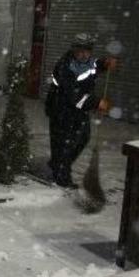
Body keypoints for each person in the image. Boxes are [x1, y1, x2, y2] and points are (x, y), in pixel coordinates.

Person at [45, 32, 116, 188]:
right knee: (64, 143)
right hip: (61, 108)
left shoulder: (88, 61)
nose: (84, 54)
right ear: (74, 50)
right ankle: (61, 177)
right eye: (80, 51)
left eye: (87, 51)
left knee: (82, 137)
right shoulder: (65, 66)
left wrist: (104, 63)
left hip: (78, 109)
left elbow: (93, 66)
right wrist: (97, 103)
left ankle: (58, 164)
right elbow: (74, 96)